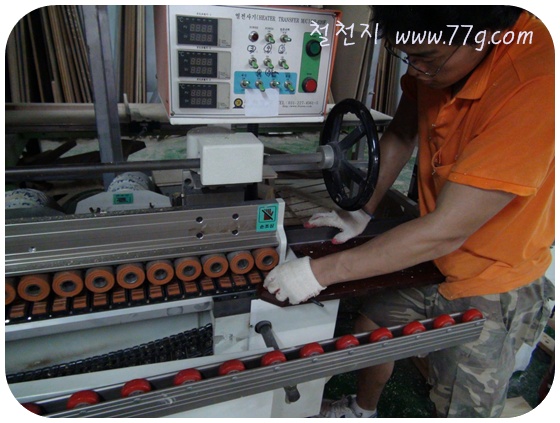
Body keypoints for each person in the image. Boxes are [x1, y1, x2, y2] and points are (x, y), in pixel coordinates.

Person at [264, 5, 554, 418]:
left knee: (462, 406)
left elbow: (446, 229)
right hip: (433, 253)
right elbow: (402, 132)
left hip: (493, 275)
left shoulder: (534, 84)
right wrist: (361, 209)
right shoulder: (436, 56)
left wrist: (318, 273)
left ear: (485, 36)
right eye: (407, 56)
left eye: (426, 60)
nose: (416, 71)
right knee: (371, 328)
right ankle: (363, 410)